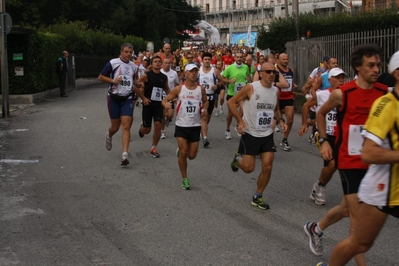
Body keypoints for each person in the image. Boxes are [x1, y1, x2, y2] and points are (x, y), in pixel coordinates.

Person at [306, 44, 388, 265]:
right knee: (357, 222)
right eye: (371, 65)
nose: (376, 69)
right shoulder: (343, 94)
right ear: (358, 67)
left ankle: (316, 228)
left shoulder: (383, 93)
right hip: (349, 162)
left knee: (344, 209)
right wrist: (324, 141)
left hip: (374, 165)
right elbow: (321, 114)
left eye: (378, 65)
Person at [228, 62, 287, 210]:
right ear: (260, 73)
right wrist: (240, 120)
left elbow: (276, 109)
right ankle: (238, 158)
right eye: (268, 72)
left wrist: (280, 121)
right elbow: (231, 102)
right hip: (250, 133)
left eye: (273, 72)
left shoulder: (276, 91)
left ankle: (258, 195)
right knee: (248, 168)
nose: (271, 74)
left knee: (267, 166)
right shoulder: (251, 88)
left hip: (267, 133)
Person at [298, 68, 346, 206]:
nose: (341, 80)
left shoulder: (347, 95)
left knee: (336, 165)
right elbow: (306, 106)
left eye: (342, 77)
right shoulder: (322, 95)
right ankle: (320, 187)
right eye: (337, 78)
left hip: (341, 135)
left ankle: (320, 184)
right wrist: (304, 124)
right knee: (332, 163)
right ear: (330, 80)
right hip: (324, 134)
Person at [161, 64, 209, 190]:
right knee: (183, 152)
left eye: (195, 71)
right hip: (181, 125)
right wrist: (166, 104)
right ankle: (184, 178)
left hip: (195, 125)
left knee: (192, 156)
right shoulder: (179, 89)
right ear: (185, 73)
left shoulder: (201, 89)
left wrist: (205, 108)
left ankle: (182, 152)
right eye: (191, 71)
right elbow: (165, 99)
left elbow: (206, 101)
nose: (194, 73)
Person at [98, 43, 142, 165]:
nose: (129, 54)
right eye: (126, 52)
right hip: (113, 98)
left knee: (126, 126)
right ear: (121, 52)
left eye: (130, 52)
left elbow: (135, 80)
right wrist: (113, 80)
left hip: (127, 98)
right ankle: (109, 134)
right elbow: (100, 77)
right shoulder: (113, 63)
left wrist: (138, 84)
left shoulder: (134, 66)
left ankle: (124, 155)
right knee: (115, 127)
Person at [135, 56, 171, 158]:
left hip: (159, 105)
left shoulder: (164, 77)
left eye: (159, 62)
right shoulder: (147, 75)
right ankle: (142, 129)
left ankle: (153, 148)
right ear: (151, 64)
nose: (157, 63)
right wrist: (143, 97)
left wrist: (173, 96)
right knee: (147, 130)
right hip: (148, 104)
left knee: (158, 126)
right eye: (155, 62)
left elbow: (167, 89)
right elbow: (136, 85)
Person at [198, 52, 229, 147]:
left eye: (208, 59)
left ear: (211, 60)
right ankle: (205, 138)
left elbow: (222, 81)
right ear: (202, 60)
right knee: (204, 116)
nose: (207, 61)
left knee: (207, 119)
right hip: (201, 98)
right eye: (205, 59)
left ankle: (201, 130)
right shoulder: (198, 71)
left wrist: (217, 85)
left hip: (211, 97)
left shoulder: (215, 71)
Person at [222, 51, 252, 140]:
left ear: (243, 58)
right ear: (234, 58)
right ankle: (227, 129)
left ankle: (239, 124)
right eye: (237, 57)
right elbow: (223, 78)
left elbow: (248, 76)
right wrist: (229, 81)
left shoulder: (246, 67)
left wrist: (249, 82)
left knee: (243, 110)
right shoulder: (230, 68)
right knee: (231, 113)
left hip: (242, 93)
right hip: (232, 93)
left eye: (240, 57)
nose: (239, 59)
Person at [276, 53, 297, 151]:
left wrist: (293, 85)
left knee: (290, 119)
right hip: (278, 98)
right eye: (283, 59)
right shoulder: (276, 70)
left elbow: (290, 81)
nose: (285, 61)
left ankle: (285, 139)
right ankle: (266, 140)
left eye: (286, 59)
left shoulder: (291, 70)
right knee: (273, 121)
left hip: (289, 97)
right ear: (279, 60)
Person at [160, 58, 180, 139]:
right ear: (163, 64)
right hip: (161, 97)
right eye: (166, 63)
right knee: (162, 115)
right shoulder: (160, 72)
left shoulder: (174, 73)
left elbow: (177, 84)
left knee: (170, 115)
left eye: (169, 63)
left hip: (171, 96)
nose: (167, 65)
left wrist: (176, 95)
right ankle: (163, 132)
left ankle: (167, 119)